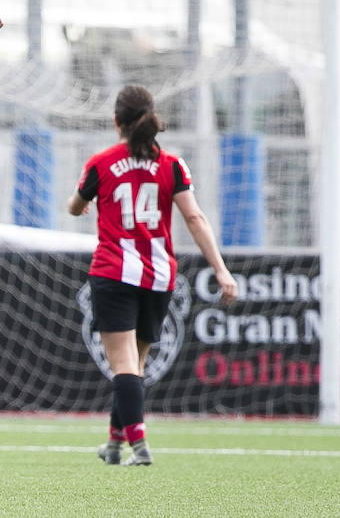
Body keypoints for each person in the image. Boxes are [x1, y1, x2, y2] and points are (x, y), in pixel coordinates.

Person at [67, 84, 237, 466]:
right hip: (158, 277)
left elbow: (75, 204)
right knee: (135, 366)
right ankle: (114, 444)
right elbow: (194, 217)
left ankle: (139, 445)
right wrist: (221, 270)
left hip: (113, 272)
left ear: (117, 122)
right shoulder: (172, 165)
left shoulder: (101, 163)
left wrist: (78, 205)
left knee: (124, 365)